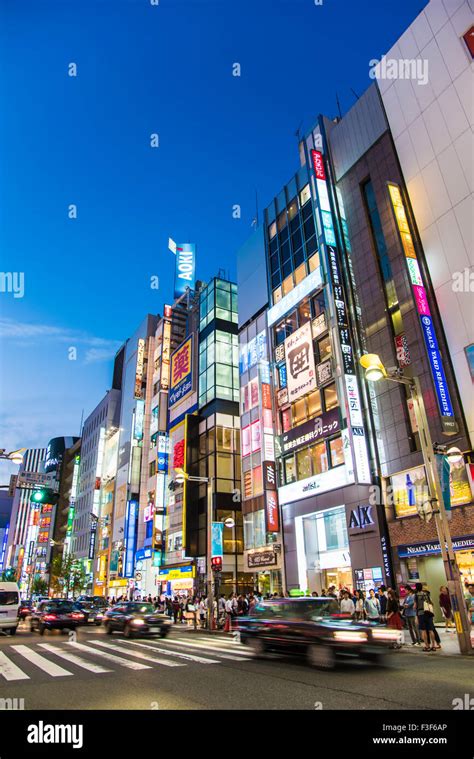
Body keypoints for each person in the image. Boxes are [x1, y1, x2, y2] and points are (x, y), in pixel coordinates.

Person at [415, 583, 437, 651]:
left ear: (416, 588)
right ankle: (433, 646)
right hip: (428, 613)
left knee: (423, 630)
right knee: (431, 630)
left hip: (421, 613)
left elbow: (415, 606)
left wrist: (416, 616)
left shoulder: (416, 595)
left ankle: (427, 646)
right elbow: (431, 603)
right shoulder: (427, 594)